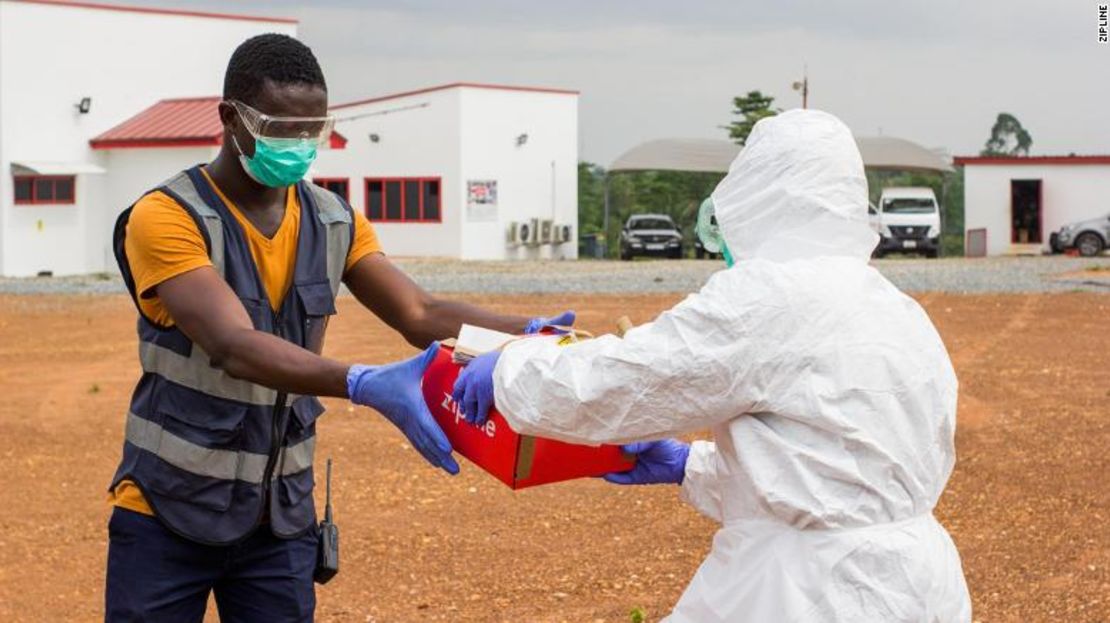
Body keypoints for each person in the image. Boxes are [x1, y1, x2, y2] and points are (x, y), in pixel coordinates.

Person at [105, 33, 571, 622]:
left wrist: (521, 336)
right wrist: (361, 381)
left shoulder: (332, 219)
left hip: (279, 518)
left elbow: (419, 314)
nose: (299, 145)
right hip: (168, 512)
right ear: (230, 118)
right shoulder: (167, 216)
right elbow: (233, 346)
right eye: (281, 129)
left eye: (312, 131)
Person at [453, 110, 972, 622]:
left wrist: (508, 368)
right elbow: (836, 477)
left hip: (809, 591)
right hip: (918, 584)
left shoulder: (769, 297)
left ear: (756, 191)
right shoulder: (893, 307)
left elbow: (626, 381)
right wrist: (688, 467)